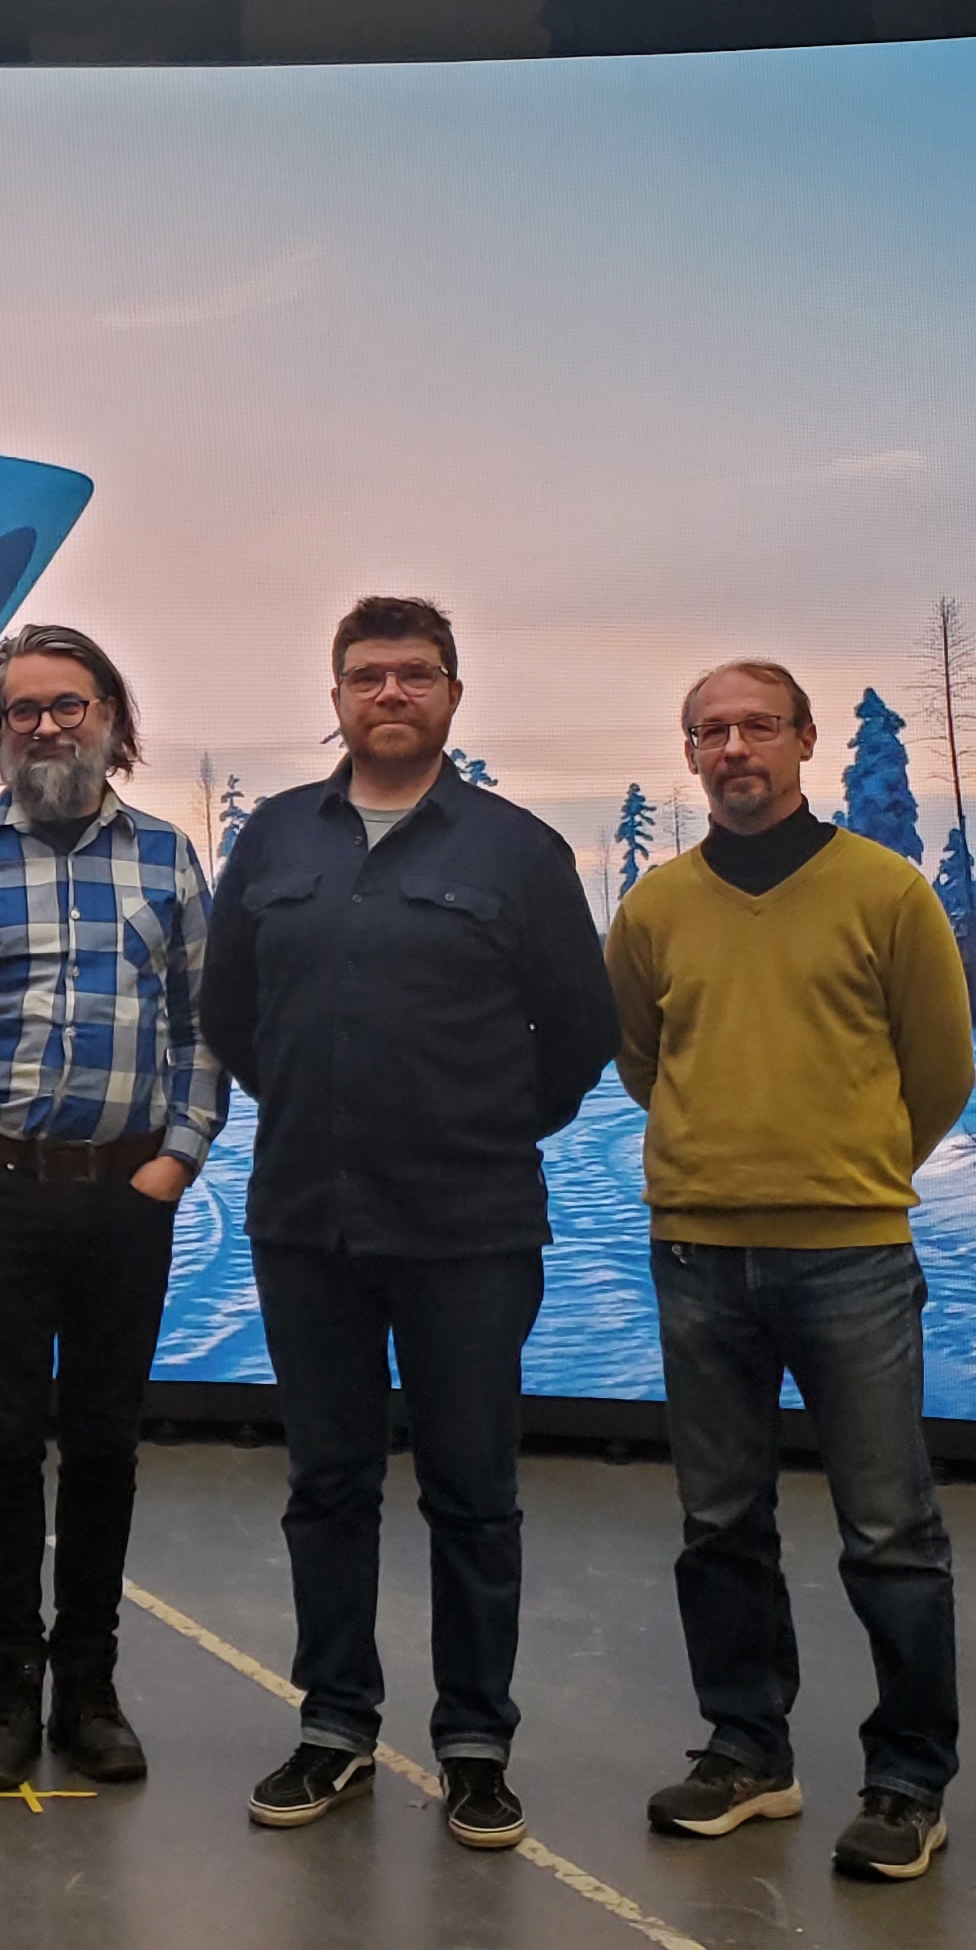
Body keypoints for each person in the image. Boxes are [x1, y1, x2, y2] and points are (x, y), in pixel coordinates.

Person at [205, 594, 618, 1845]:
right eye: (367, 676)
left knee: (473, 1492)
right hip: (306, 1222)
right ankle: (334, 1725)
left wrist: (470, 1127)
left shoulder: (517, 853)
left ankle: (477, 1743)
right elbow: (234, 1017)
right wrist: (338, 1113)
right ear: (334, 696)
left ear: (452, 694)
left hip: (470, 1228)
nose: (391, 695)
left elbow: (581, 1035)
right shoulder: (276, 843)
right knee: (327, 1484)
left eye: (415, 675)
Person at [607, 659, 972, 1883]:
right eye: (707, 730)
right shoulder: (656, 906)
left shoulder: (885, 893)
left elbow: (941, 1072)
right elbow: (642, 1062)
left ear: (807, 741)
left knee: (888, 1531)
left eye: (757, 725)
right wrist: (725, 1164)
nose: (732, 748)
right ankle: (747, 1753)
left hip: (851, 1260)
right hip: (700, 1255)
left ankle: (910, 1781)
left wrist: (843, 1170)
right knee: (720, 1524)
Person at [0, 624, 221, 1794]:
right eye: (23, 709)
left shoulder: (172, 862)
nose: (46, 727)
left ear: (114, 721)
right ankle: (6, 1688)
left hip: (128, 1197)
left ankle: (91, 1687)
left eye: (68, 706)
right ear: (0, 731)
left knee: (108, 1446)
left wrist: (177, 1160)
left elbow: (202, 1029)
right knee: (1, 1445)